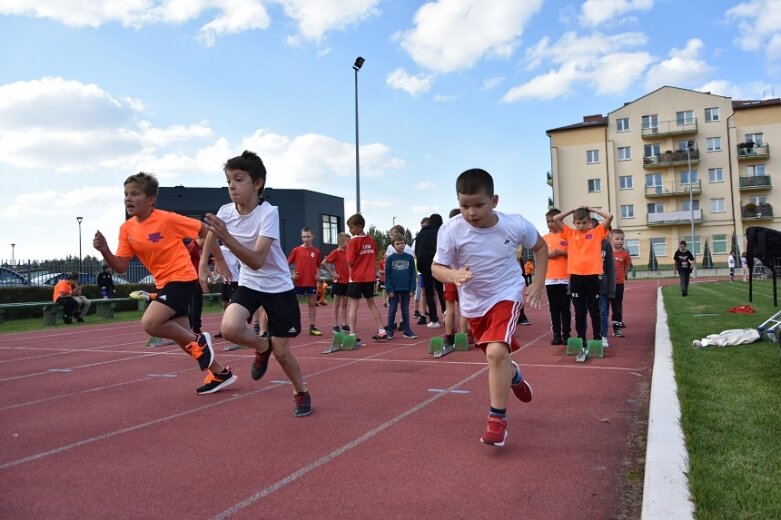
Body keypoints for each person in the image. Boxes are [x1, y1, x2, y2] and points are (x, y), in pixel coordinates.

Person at [432, 168, 547, 447]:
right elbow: (436, 267)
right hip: (473, 304)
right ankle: (514, 375)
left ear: (494, 201)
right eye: (464, 205)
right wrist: (453, 276)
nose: (470, 212)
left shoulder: (515, 225)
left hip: (506, 293)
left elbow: (541, 248)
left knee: (496, 352)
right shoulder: (450, 230)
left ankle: (497, 421)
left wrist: (539, 282)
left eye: (478, 205)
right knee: (497, 356)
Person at [93, 172, 236, 395]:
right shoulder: (127, 229)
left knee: (150, 323)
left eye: (135, 194)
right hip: (163, 283)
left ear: (151, 200)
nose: (128, 199)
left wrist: (216, 259)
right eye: (126, 194)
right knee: (184, 339)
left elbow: (205, 230)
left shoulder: (167, 219)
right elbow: (121, 266)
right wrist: (105, 250)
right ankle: (219, 373)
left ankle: (200, 341)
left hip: (181, 277)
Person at [199, 150, 311, 416]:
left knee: (283, 353)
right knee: (229, 328)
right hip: (249, 284)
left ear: (257, 183)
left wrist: (226, 239)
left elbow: (258, 259)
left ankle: (300, 391)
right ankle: (262, 345)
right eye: (228, 181)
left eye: (238, 180)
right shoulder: (225, 211)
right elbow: (211, 235)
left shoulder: (268, 213)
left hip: (277, 287)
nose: (232, 187)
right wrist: (208, 262)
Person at [553, 205, 614, 360]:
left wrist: (592, 209)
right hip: (576, 277)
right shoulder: (570, 234)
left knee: (594, 311)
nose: (581, 226)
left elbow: (609, 217)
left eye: (584, 223)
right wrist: (572, 210)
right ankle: (581, 340)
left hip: (592, 277)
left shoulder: (596, 233)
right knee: (579, 312)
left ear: (589, 222)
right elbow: (556, 219)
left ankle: (597, 339)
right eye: (578, 223)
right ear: (574, 223)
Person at [345, 213, 388, 344]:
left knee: (353, 305)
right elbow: (373, 254)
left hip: (357, 277)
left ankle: (352, 333)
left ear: (359, 226)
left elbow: (350, 261)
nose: (350, 231)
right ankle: (381, 329)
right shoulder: (371, 240)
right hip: (369, 277)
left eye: (351, 228)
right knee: (371, 303)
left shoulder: (353, 242)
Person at [542, 208, 571, 345]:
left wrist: (561, 253)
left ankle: (566, 334)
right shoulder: (544, 238)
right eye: (548, 221)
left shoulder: (567, 236)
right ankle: (556, 334)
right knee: (554, 308)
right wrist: (546, 255)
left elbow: (575, 254)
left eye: (553, 221)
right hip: (550, 279)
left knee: (565, 307)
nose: (550, 224)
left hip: (565, 277)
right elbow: (539, 256)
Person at [287, 227, 323, 336]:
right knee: (294, 305)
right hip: (298, 282)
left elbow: (318, 266)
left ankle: (312, 327)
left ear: (313, 236)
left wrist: (319, 273)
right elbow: (285, 264)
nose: (306, 239)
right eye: (303, 237)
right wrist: (291, 274)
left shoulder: (316, 251)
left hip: (311, 282)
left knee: (312, 304)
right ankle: (292, 326)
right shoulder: (296, 250)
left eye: (308, 236)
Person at [415, 213, 446, 328]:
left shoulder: (421, 233)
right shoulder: (441, 232)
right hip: (438, 264)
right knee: (441, 290)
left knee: (429, 292)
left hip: (424, 265)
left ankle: (434, 319)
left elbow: (417, 251)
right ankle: (446, 314)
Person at [384, 236, 418, 339]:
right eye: (397, 244)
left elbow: (413, 274)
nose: (400, 245)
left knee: (405, 310)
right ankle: (390, 332)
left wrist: (412, 289)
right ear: (393, 246)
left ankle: (407, 331)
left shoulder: (409, 257)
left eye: (402, 243)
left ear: (405, 244)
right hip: (394, 289)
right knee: (392, 309)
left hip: (406, 289)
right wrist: (389, 289)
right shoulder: (390, 259)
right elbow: (387, 275)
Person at [322, 232, 350, 333]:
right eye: (348, 241)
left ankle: (344, 323)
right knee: (337, 304)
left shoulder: (348, 252)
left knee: (345, 304)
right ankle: (335, 325)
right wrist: (333, 273)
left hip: (347, 281)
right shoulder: (335, 252)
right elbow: (324, 263)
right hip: (338, 281)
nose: (349, 243)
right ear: (341, 241)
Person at [594, 218, 615, 350]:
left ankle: (603, 336)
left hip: (602, 285)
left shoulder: (606, 245)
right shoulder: (585, 244)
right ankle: (592, 336)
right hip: (589, 285)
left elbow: (610, 268)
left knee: (603, 311)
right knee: (589, 312)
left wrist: (611, 288)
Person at [214, 243, 240, 339]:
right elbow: (216, 258)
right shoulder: (220, 249)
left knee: (232, 305)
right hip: (224, 281)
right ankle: (225, 326)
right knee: (225, 304)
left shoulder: (235, 249)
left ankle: (235, 327)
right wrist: (216, 272)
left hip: (235, 280)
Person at [609, 229, 632, 337]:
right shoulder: (607, 252)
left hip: (618, 284)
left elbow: (627, 266)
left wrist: (623, 275)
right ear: (610, 239)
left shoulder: (625, 254)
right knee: (602, 307)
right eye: (617, 239)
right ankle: (601, 329)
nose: (620, 241)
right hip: (606, 284)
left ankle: (617, 328)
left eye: (622, 239)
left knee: (617, 306)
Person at [187, 236, 205, 334]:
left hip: (195, 279)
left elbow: (199, 261)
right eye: (204, 240)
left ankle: (193, 325)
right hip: (192, 279)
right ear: (199, 237)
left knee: (195, 304)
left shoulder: (198, 248)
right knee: (196, 304)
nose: (205, 243)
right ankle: (195, 327)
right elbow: (185, 259)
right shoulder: (192, 246)